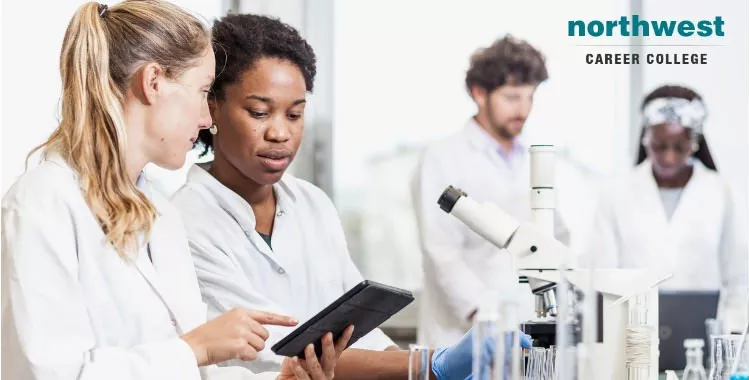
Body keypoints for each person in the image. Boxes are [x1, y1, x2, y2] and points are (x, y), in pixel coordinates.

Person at [170, 13, 531, 379]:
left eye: (295, 114)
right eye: (259, 112)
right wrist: (426, 367)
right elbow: (277, 350)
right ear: (211, 106)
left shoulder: (312, 203)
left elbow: (356, 329)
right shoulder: (187, 221)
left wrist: (423, 368)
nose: (280, 133)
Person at [1, 2, 349, 379]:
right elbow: (50, 372)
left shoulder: (159, 213)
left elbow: (193, 371)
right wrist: (196, 347)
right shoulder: (43, 201)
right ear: (153, 83)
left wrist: (280, 379)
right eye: (201, 92)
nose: (205, 119)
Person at [411, 35, 571, 348]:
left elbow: (556, 237)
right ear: (479, 93)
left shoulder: (533, 161)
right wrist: (484, 318)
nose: (523, 109)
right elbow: (440, 251)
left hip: (526, 332)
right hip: (461, 334)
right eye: (512, 97)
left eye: (530, 97)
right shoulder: (442, 157)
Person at [587, 84, 748, 333]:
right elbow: (603, 278)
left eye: (679, 147)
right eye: (659, 146)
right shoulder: (615, 193)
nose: (669, 157)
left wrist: (731, 345)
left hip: (705, 343)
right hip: (631, 339)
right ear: (645, 139)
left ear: (694, 143)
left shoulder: (723, 193)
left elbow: (739, 282)